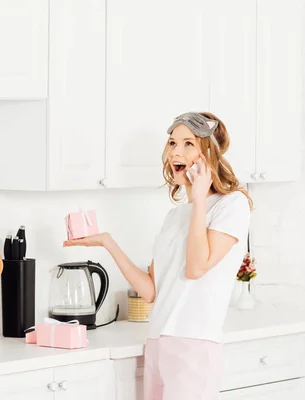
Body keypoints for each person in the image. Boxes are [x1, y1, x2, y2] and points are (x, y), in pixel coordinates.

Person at [63, 111, 252, 400]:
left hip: (195, 346)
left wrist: (200, 197)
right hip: (158, 343)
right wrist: (109, 244)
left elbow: (196, 267)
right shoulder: (175, 217)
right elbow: (151, 292)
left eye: (189, 144)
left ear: (208, 153)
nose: (176, 151)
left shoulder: (232, 205)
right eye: (172, 142)